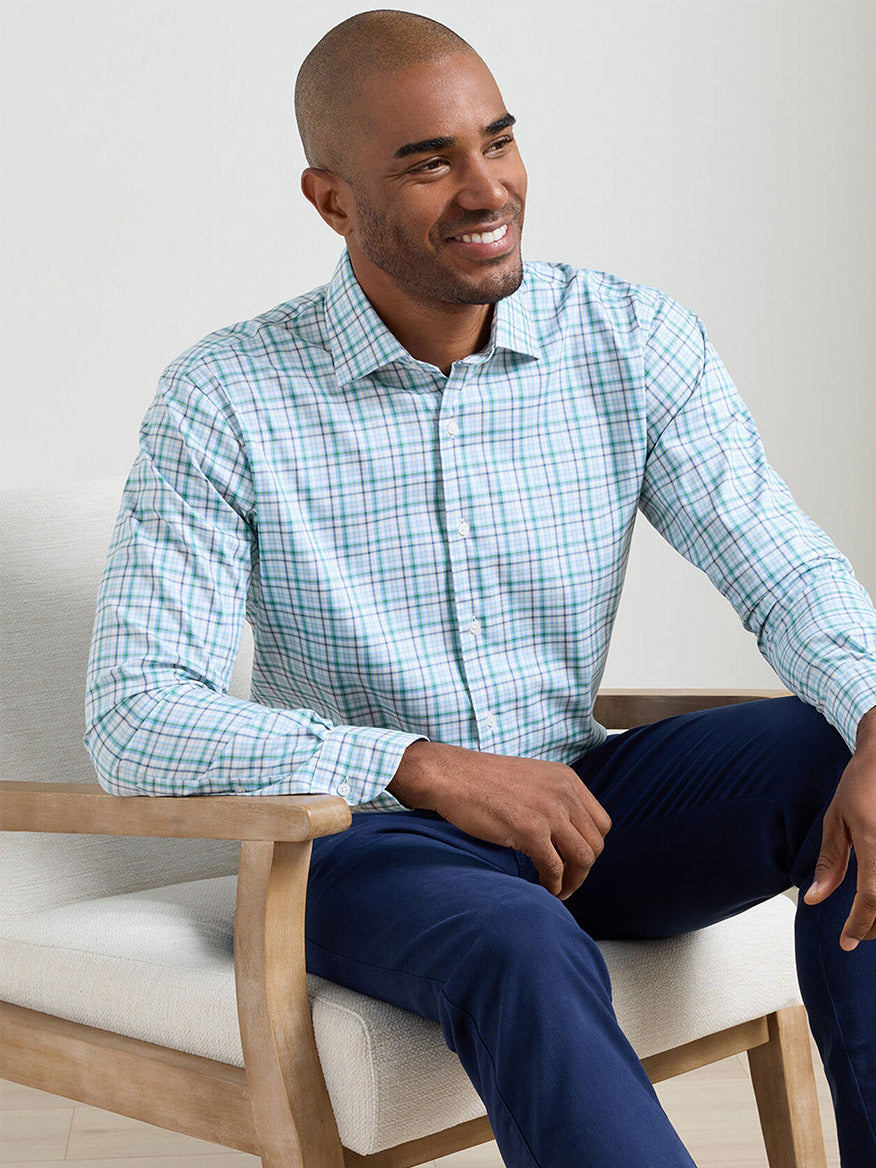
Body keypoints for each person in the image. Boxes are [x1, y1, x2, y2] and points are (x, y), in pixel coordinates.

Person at [85, 9, 876, 1166]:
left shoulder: (629, 339)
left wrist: (872, 710)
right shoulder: (225, 400)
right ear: (331, 200)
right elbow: (133, 714)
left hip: (587, 802)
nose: (484, 186)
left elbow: (781, 565)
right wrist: (419, 765)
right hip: (366, 841)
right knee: (516, 938)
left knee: (841, 760)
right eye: (428, 161)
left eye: (497, 142)